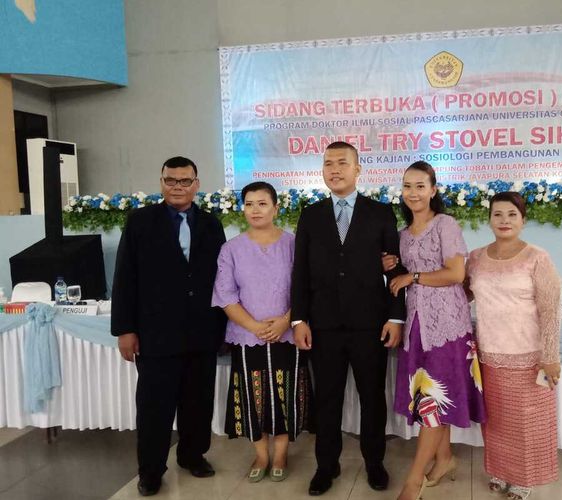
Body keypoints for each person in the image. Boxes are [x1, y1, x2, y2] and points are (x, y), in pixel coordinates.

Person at [291, 141, 406, 496]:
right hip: (322, 327)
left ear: (358, 169)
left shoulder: (380, 212)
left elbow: (396, 270)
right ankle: (327, 465)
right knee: (327, 399)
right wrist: (299, 320)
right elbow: (300, 273)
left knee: (373, 397)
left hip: (369, 325)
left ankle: (374, 462)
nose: (334, 169)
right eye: (328, 164)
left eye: (342, 163)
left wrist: (395, 318)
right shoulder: (310, 215)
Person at [111, 156, 227, 497]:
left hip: (202, 332)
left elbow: (220, 279)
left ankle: (193, 455)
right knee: (154, 407)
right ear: (161, 182)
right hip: (155, 334)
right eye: (171, 180)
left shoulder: (211, 223)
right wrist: (125, 330)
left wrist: (222, 329)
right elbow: (124, 278)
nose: (178, 186)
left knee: (198, 401)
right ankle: (150, 470)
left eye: (185, 181)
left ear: (197, 184)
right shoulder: (140, 222)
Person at [386, 161, 485, 500]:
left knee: (433, 400)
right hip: (416, 326)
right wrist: (391, 266)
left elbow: (456, 274)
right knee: (428, 397)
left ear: (433, 189)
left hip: (447, 325)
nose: (413, 192)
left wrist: (412, 277)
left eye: (420, 186)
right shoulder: (401, 234)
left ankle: (413, 481)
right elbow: (397, 276)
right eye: (407, 186)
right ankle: (444, 459)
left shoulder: (445, 224)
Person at [212, 181, 313, 483]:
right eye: (249, 204)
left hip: (288, 333)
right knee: (251, 397)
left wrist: (286, 321)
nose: (255, 210)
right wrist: (254, 326)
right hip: (247, 337)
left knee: (285, 395)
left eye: (262, 203)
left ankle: (281, 454)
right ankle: (261, 454)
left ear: (275, 208)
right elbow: (226, 295)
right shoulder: (231, 249)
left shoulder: (294, 244)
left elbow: (306, 288)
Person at [465, 191, 561, 500]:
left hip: (527, 355)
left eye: (511, 215)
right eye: (498, 215)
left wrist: (551, 356)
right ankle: (500, 471)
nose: (504, 221)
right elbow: (462, 295)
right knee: (495, 420)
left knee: (525, 422)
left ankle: (523, 478)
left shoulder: (537, 257)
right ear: (489, 219)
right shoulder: (476, 257)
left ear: (523, 220)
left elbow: (550, 309)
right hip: (488, 353)